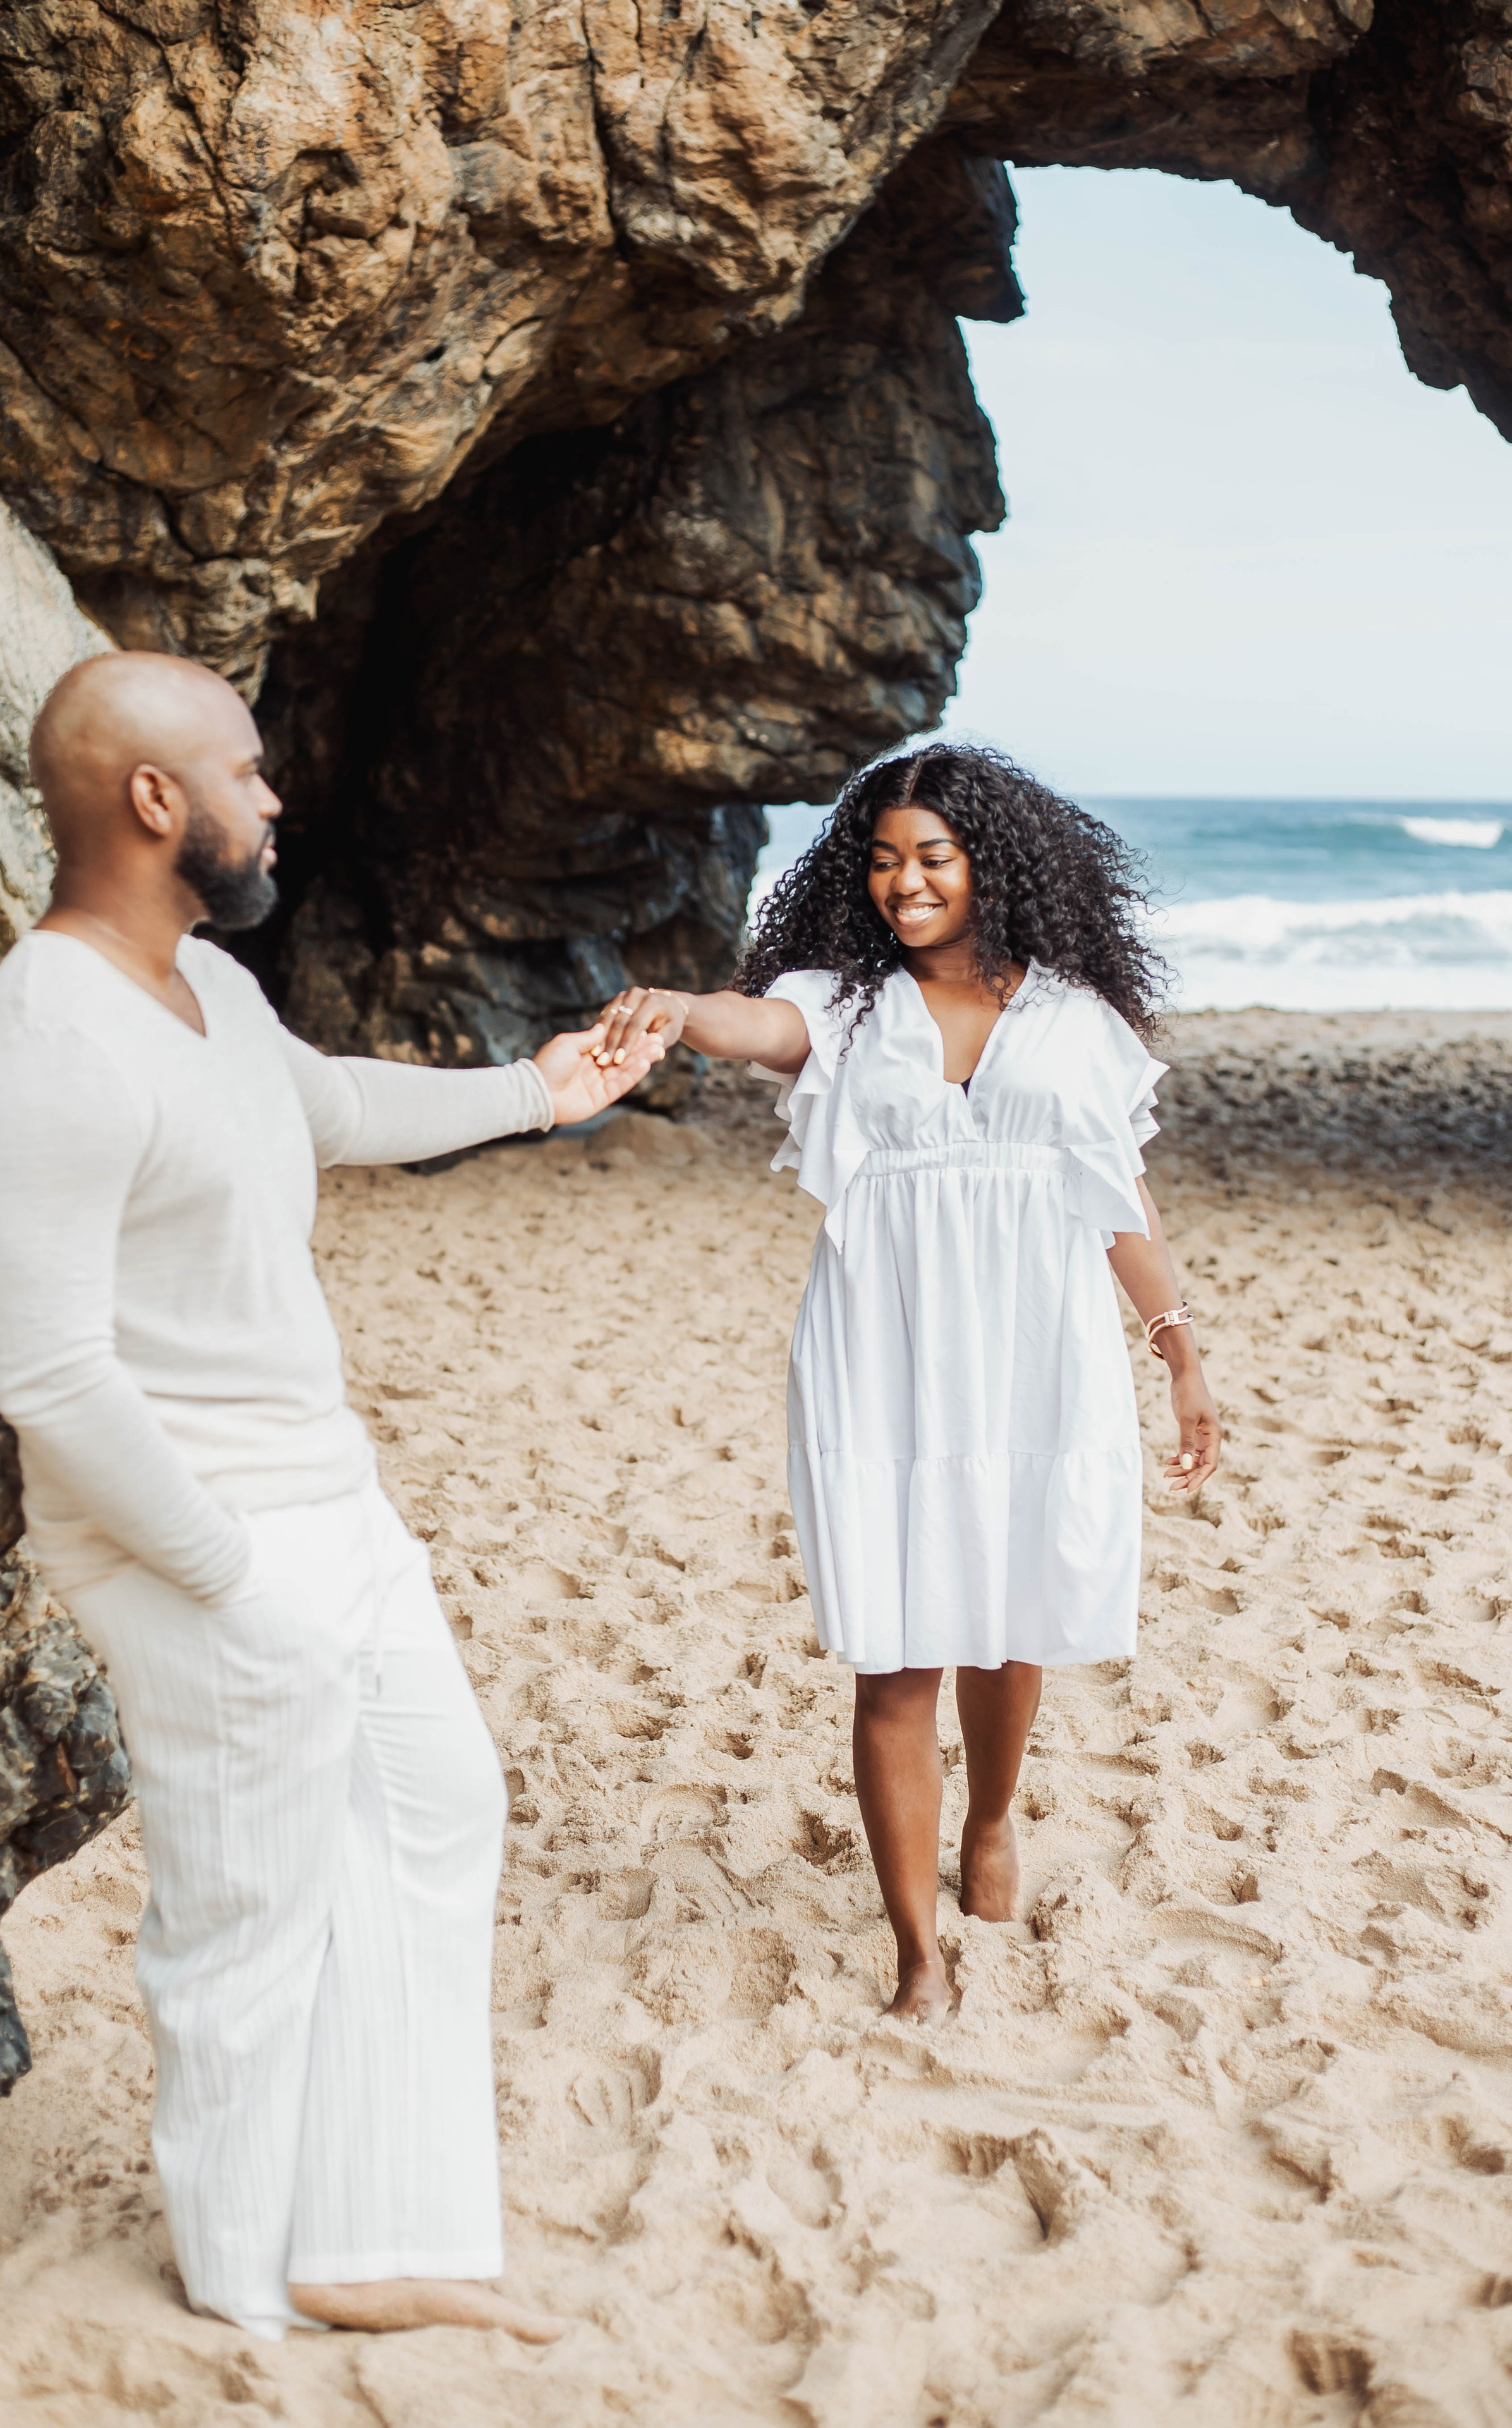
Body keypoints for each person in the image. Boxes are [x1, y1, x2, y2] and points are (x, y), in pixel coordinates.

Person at [0, 651, 663, 2342]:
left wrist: (540, 1096)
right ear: (152, 800)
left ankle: (372, 2234)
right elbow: (49, 1376)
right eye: (248, 774)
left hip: (329, 1500)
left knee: (434, 1809)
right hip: (194, 1538)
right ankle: (239, 2273)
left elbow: (328, 1107)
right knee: (248, 1903)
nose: (274, 800)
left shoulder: (213, 991)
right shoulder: (44, 1035)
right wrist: (225, 1576)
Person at [593, 743, 1221, 2023]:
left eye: (930, 855)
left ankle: (989, 1821)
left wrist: (1178, 1352)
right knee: (896, 1653)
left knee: (1014, 1616)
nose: (904, 882)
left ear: (990, 863)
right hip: (884, 1356)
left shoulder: (1075, 1019)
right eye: (881, 859)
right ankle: (915, 1953)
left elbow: (1117, 1198)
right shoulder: (843, 1003)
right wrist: (673, 1004)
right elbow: (752, 1024)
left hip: (1036, 1349)